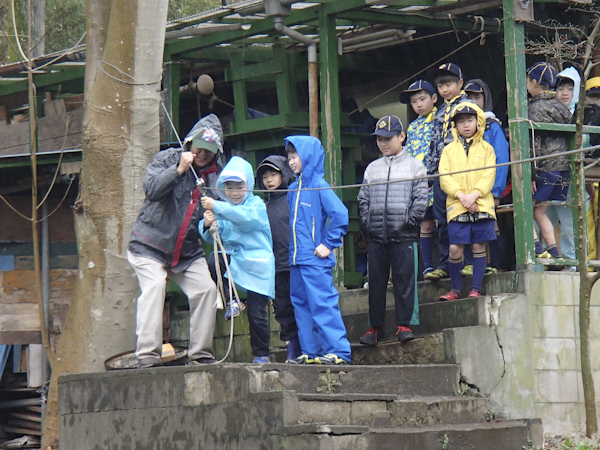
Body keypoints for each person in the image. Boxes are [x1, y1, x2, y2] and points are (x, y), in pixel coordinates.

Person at [127, 114, 223, 368]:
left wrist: (212, 220)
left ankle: (200, 355)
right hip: (148, 245)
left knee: (207, 290)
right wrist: (179, 170)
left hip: (187, 251)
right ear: (190, 142)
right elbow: (151, 190)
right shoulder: (167, 158)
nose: (202, 153)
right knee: (155, 286)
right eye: (199, 146)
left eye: (209, 150)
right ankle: (147, 355)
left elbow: (219, 214)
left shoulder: (216, 178)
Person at [357, 115, 428, 345]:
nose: (383, 143)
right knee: (375, 282)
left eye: (388, 138)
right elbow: (363, 199)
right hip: (376, 235)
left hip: (404, 234)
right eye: (379, 139)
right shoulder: (372, 168)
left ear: (402, 137)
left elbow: (421, 200)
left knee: (404, 281)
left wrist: (409, 222)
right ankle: (375, 328)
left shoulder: (415, 166)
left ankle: (404, 325)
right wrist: (368, 224)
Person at [200, 156, 275, 364]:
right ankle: (231, 299)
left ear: (248, 185)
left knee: (257, 312)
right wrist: (208, 223)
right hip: (236, 260)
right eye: (229, 187)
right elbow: (213, 234)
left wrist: (216, 207)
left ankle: (262, 354)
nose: (234, 192)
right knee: (214, 260)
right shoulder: (223, 207)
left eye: (239, 186)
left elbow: (245, 218)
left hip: (257, 263)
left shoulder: (256, 204)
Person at [285, 136, 351, 365]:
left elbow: (341, 215)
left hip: (314, 258)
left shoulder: (319, 185)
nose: (292, 162)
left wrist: (328, 244)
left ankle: (339, 352)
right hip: (296, 259)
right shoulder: (292, 189)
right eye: (290, 157)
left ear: (308, 156)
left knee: (322, 303)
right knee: (301, 306)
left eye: (296, 156)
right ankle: (311, 352)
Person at [438, 103, 497, 300]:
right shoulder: (448, 150)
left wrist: (475, 195)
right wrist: (462, 196)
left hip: (481, 203)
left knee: (479, 245)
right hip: (457, 204)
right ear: (455, 126)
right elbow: (444, 176)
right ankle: (455, 289)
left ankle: (476, 288)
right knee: (455, 247)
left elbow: (489, 174)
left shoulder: (487, 148)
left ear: (477, 121)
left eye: (469, 120)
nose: (465, 125)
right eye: (461, 121)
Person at [425, 63, 470, 281]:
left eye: (449, 83)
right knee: (442, 220)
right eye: (441, 85)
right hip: (440, 175)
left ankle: (469, 261)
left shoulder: (468, 106)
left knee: (465, 215)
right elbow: (434, 142)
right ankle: (444, 263)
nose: (445, 89)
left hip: (462, 172)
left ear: (460, 83)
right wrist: (430, 172)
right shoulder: (440, 111)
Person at [256, 155, 301, 362]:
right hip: (275, 266)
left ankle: (307, 345)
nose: (269, 180)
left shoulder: (294, 197)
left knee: (301, 305)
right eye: (265, 177)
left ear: (284, 174)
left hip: (296, 263)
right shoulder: (262, 206)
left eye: (273, 174)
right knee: (282, 308)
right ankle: (291, 347)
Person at [526, 62, 572, 259]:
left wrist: (532, 175)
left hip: (545, 168)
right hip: (563, 168)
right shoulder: (561, 107)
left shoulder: (534, 109)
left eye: (528, 81)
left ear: (534, 82)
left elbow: (534, 145)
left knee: (525, 210)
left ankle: (536, 250)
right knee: (539, 211)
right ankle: (554, 253)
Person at [464, 79, 510, 273]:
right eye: (469, 97)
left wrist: (497, 190)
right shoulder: (461, 130)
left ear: (486, 98)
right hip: (466, 192)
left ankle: (495, 264)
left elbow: (501, 160)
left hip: (489, 188)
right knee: (469, 227)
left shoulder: (492, 127)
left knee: (491, 225)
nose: (474, 101)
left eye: (477, 96)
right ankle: (472, 266)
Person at [400, 80, 438, 277]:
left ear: (434, 98)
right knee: (425, 224)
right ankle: (428, 266)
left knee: (444, 221)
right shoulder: (413, 127)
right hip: (419, 184)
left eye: (422, 99)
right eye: (414, 102)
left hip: (439, 180)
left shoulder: (441, 119)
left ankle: (447, 264)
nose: (418, 105)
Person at [543, 67, 580, 262]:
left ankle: (573, 264)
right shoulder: (548, 113)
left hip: (571, 178)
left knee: (570, 224)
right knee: (544, 218)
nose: (564, 93)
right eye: (560, 88)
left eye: (569, 88)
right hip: (549, 176)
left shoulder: (584, 114)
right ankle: (546, 260)